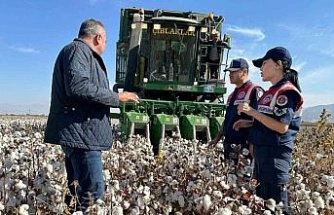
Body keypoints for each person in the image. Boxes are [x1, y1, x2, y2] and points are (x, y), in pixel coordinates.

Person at [43, 19, 139, 213]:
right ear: (98, 37)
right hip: (83, 137)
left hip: (82, 134)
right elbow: (78, 87)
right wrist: (117, 97)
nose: (105, 45)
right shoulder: (77, 51)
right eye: (105, 41)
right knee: (93, 195)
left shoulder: (80, 54)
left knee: (78, 192)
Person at [237, 47, 303, 214]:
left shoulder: (285, 92)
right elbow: (264, 121)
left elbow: (281, 127)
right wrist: (246, 123)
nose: (261, 68)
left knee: (277, 206)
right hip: (263, 156)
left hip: (275, 157)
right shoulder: (270, 92)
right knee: (263, 205)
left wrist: (251, 111)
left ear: (278, 64)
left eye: (264, 63)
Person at [209, 58, 263, 171]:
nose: (230, 74)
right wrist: (217, 138)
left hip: (244, 147)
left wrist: (247, 123)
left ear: (244, 72)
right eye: (229, 72)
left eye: (233, 71)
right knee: (230, 179)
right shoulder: (231, 95)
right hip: (229, 145)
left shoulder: (254, 91)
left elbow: (263, 120)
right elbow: (228, 119)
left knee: (243, 182)